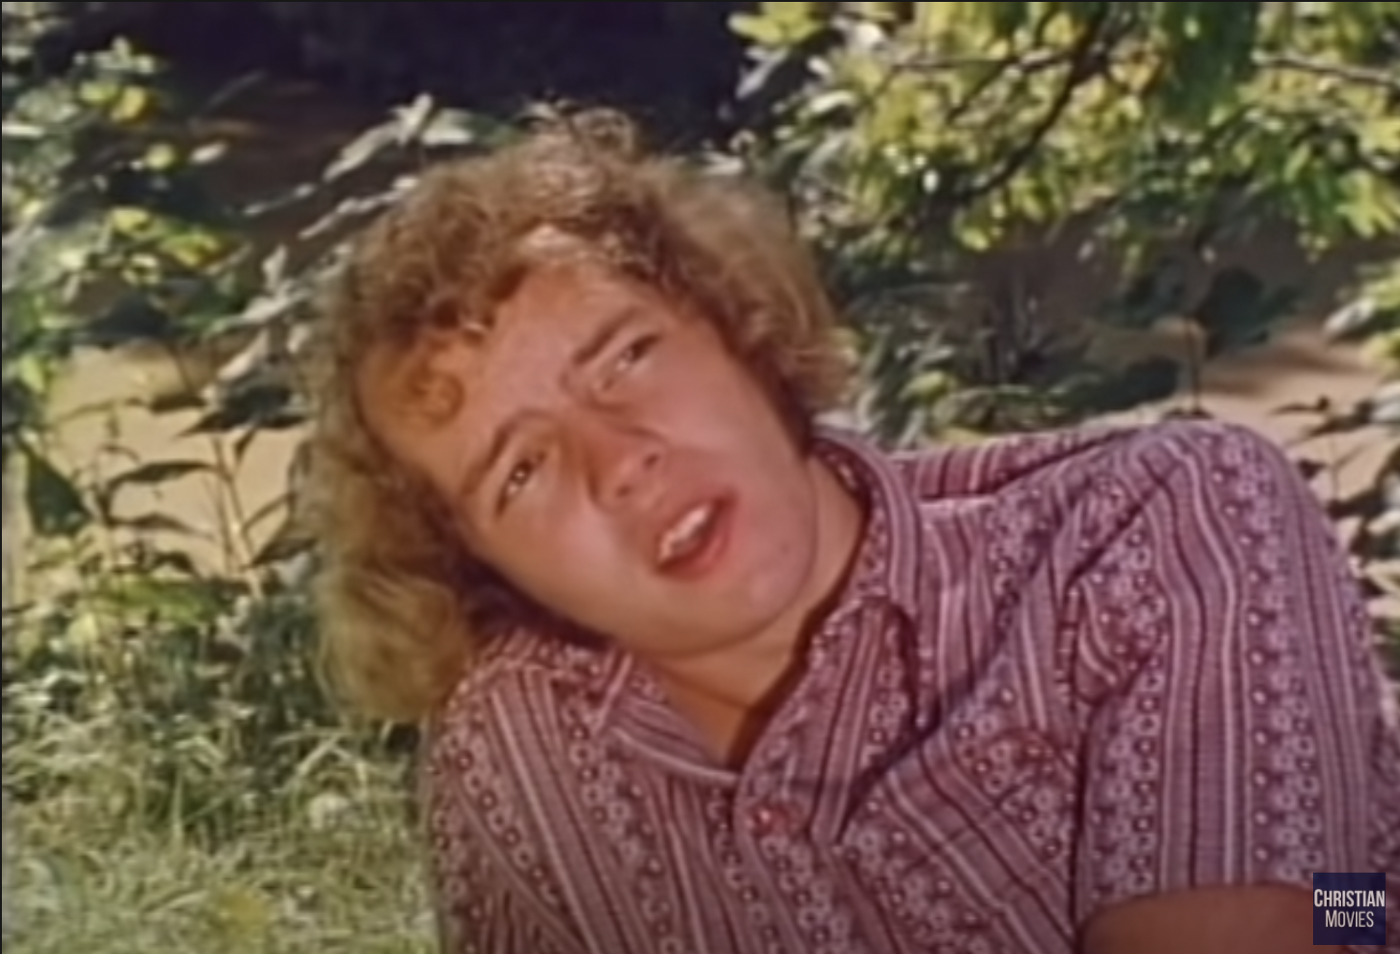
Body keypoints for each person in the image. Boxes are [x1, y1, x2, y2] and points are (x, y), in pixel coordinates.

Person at [304, 110, 1399, 954]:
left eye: (626, 357)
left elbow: (1291, 915)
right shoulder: (520, 755)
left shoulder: (1150, 520)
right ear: (482, 570)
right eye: (523, 469)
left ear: (740, 330)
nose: (619, 459)